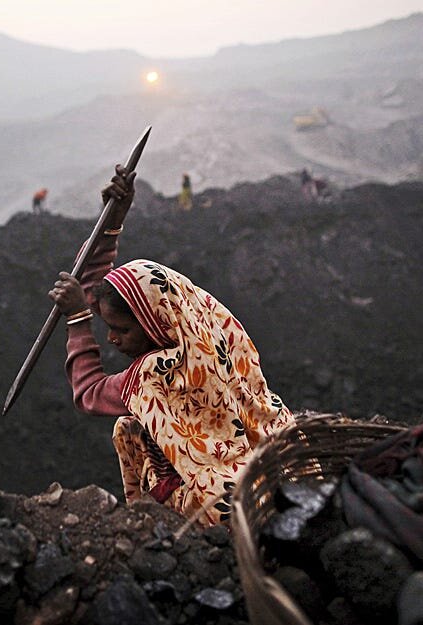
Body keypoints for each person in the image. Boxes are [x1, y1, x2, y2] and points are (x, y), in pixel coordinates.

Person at [49, 166, 295, 527]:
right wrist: (111, 223)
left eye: (120, 331)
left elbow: (88, 393)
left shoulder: (154, 374)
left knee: (127, 430)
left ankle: (158, 518)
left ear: (153, 324)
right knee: (135, 425)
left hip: (220, 495)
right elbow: (98, 290)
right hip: (264, 456)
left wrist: (77, 321)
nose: (112, 339)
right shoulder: (213, 329)